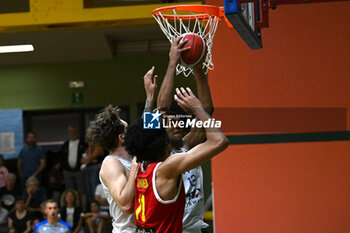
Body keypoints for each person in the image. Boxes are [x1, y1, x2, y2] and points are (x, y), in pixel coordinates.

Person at [124, 87, 228, 232]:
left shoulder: (140, 163)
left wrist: (149, 98)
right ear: (164, 143)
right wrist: (198, 110)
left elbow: (144, 134)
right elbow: (219, 141)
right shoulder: (166, 169)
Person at [157, 36, 214, 233]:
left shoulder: (187, 145)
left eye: (178, 122)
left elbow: (207, 111)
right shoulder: (158, 158)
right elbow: (161, 109)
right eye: (170, 123)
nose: (177, 126)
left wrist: (198, 68)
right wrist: (172, 62)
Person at [86, 105, 138, 233]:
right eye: (129, 129)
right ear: (122, 138)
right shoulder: (111, 163)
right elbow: (126, 205)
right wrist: (135, 166)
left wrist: (150, 101)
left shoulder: (131, 159)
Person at [59, 126, 88, 211]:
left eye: (74, 131)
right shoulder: (65, 144)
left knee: (82, 192)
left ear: (77, 132)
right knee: (69, 193)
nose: (72, 133)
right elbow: (61, 158)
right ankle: (70, 211)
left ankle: (83, 211)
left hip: (80, 171)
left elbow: (87, 156)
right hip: (68, 171)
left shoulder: (83, 144)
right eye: (71, 132)